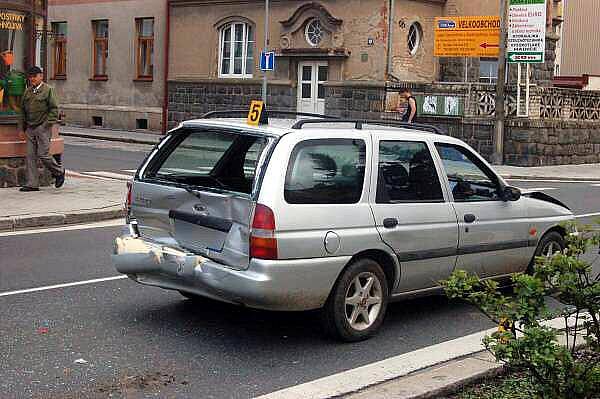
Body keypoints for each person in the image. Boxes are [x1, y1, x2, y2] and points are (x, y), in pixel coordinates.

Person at [19, 66, 65, 192]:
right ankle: (32, 183)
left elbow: (54, 109)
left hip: (43, 127)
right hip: (30, 128)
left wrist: (45, 125)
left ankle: (59, 172)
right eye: (31, 77)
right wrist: (22, 128)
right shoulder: (28, 92)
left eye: (35, 76)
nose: (32, 79)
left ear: (41, 76)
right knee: (30, 156)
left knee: (43, 155)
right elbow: (22, 111)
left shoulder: (48, 90)